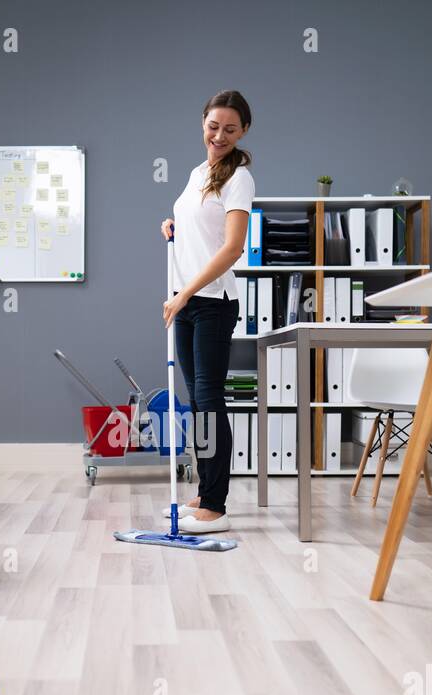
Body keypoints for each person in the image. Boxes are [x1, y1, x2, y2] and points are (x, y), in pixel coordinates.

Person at [160, 89, 254, 535]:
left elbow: (232, 247)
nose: (219, 135)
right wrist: (172, 225)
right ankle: (204, 491)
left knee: (210, 401)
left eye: (229, 129)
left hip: (213, 303)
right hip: (188, 300)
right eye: (213, 126)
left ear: (243, 132)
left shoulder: (240, 178)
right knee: (198, 403)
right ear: (203, 123)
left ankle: (216, 506)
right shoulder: (199, 172)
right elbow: (200, 225)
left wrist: (184, 295)